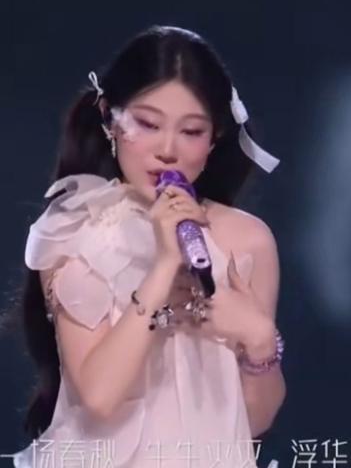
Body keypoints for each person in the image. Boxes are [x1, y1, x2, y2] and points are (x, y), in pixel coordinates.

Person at [8, 26, 286, 467]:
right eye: (148, 124)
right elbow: (99, 398)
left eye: (191, 131)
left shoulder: (248, 240)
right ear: (109, 118)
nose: (167, 150)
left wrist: (259, 341)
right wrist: (163, 268)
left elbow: (250, 423)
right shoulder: (73, 229)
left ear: (214, 137)